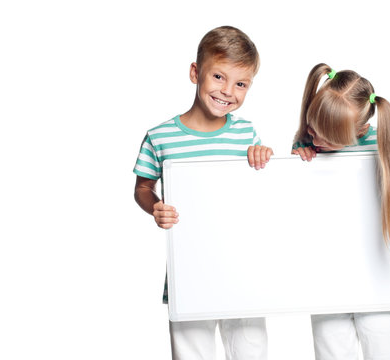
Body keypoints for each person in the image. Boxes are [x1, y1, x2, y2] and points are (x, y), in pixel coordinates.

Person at [133, 26, 272, 360]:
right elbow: (143, 187)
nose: (228, 91)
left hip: (242, 269)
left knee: (250, 352)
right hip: (189, 270)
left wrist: (262, 156)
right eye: (219, 77)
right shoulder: (160, 136)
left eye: (241, 84)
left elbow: (263, 190)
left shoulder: (247, 133)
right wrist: (156, 207)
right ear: (196, 73)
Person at [292, 63, 390, 360]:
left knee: (383, 341)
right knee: (331, 345)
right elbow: (296, 207)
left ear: (359, 131)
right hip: (326, 273)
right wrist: (296, 160)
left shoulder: (378, 145)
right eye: (312, 129)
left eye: (328, 137)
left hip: (374, 271)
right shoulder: (307, 147)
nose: (316, 140)